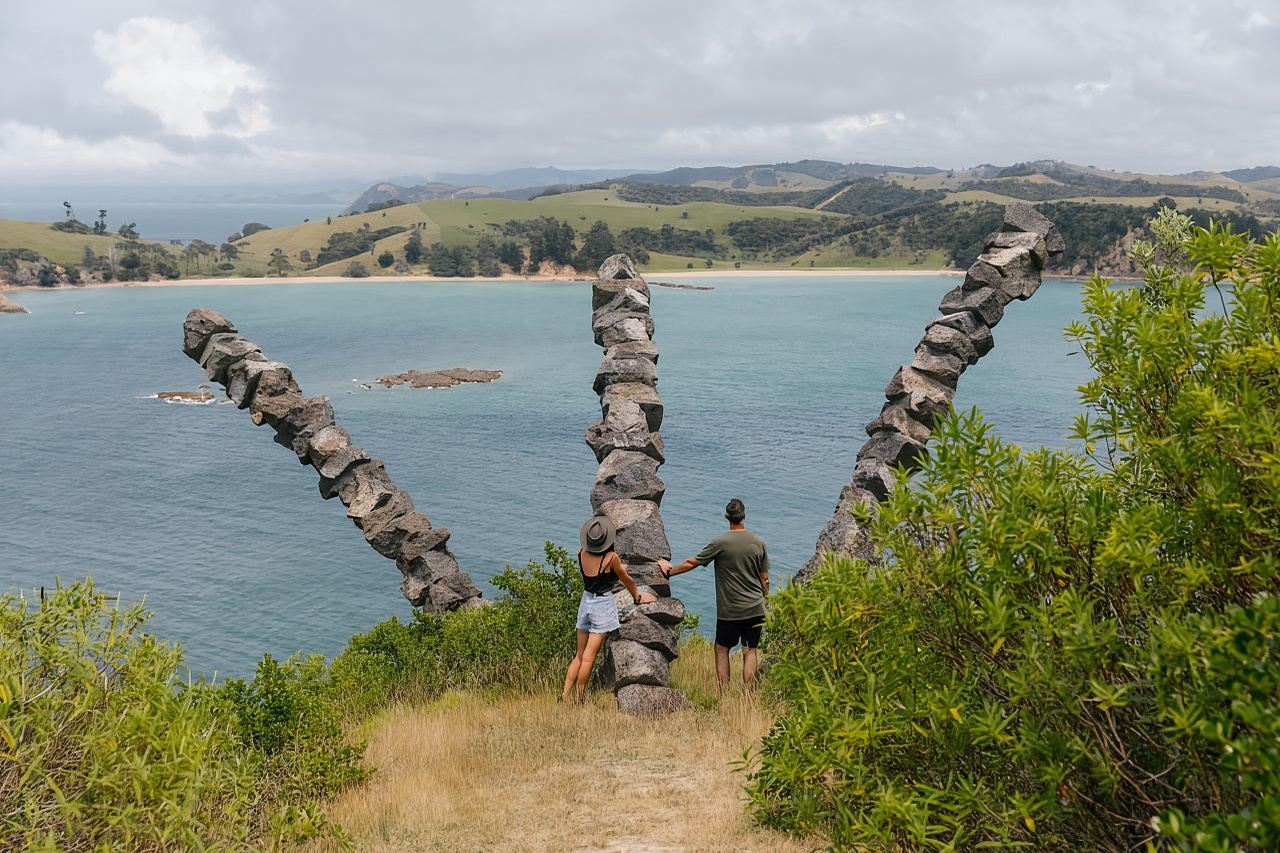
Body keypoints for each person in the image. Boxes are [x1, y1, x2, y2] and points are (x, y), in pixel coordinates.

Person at [659, 498, 769, 690]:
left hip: (730, 611)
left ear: (727, 517)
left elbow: (692, 562)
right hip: (755, 609)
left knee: (721, 649)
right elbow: (765, 579)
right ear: (744, 516)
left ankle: (724, 693)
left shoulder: (720, 543)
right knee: (750, 651)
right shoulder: (759, 542)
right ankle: (748, 697)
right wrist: (765, 600)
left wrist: (669, 571)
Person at [562, 515, 656, 704]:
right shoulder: (610, 558)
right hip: (602, 606)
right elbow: (626, 579)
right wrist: (637, 597)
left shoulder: (581, 552)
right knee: (589, 658)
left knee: (579, 656)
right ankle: (580, 699)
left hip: (585, 601)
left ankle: (564, 696)